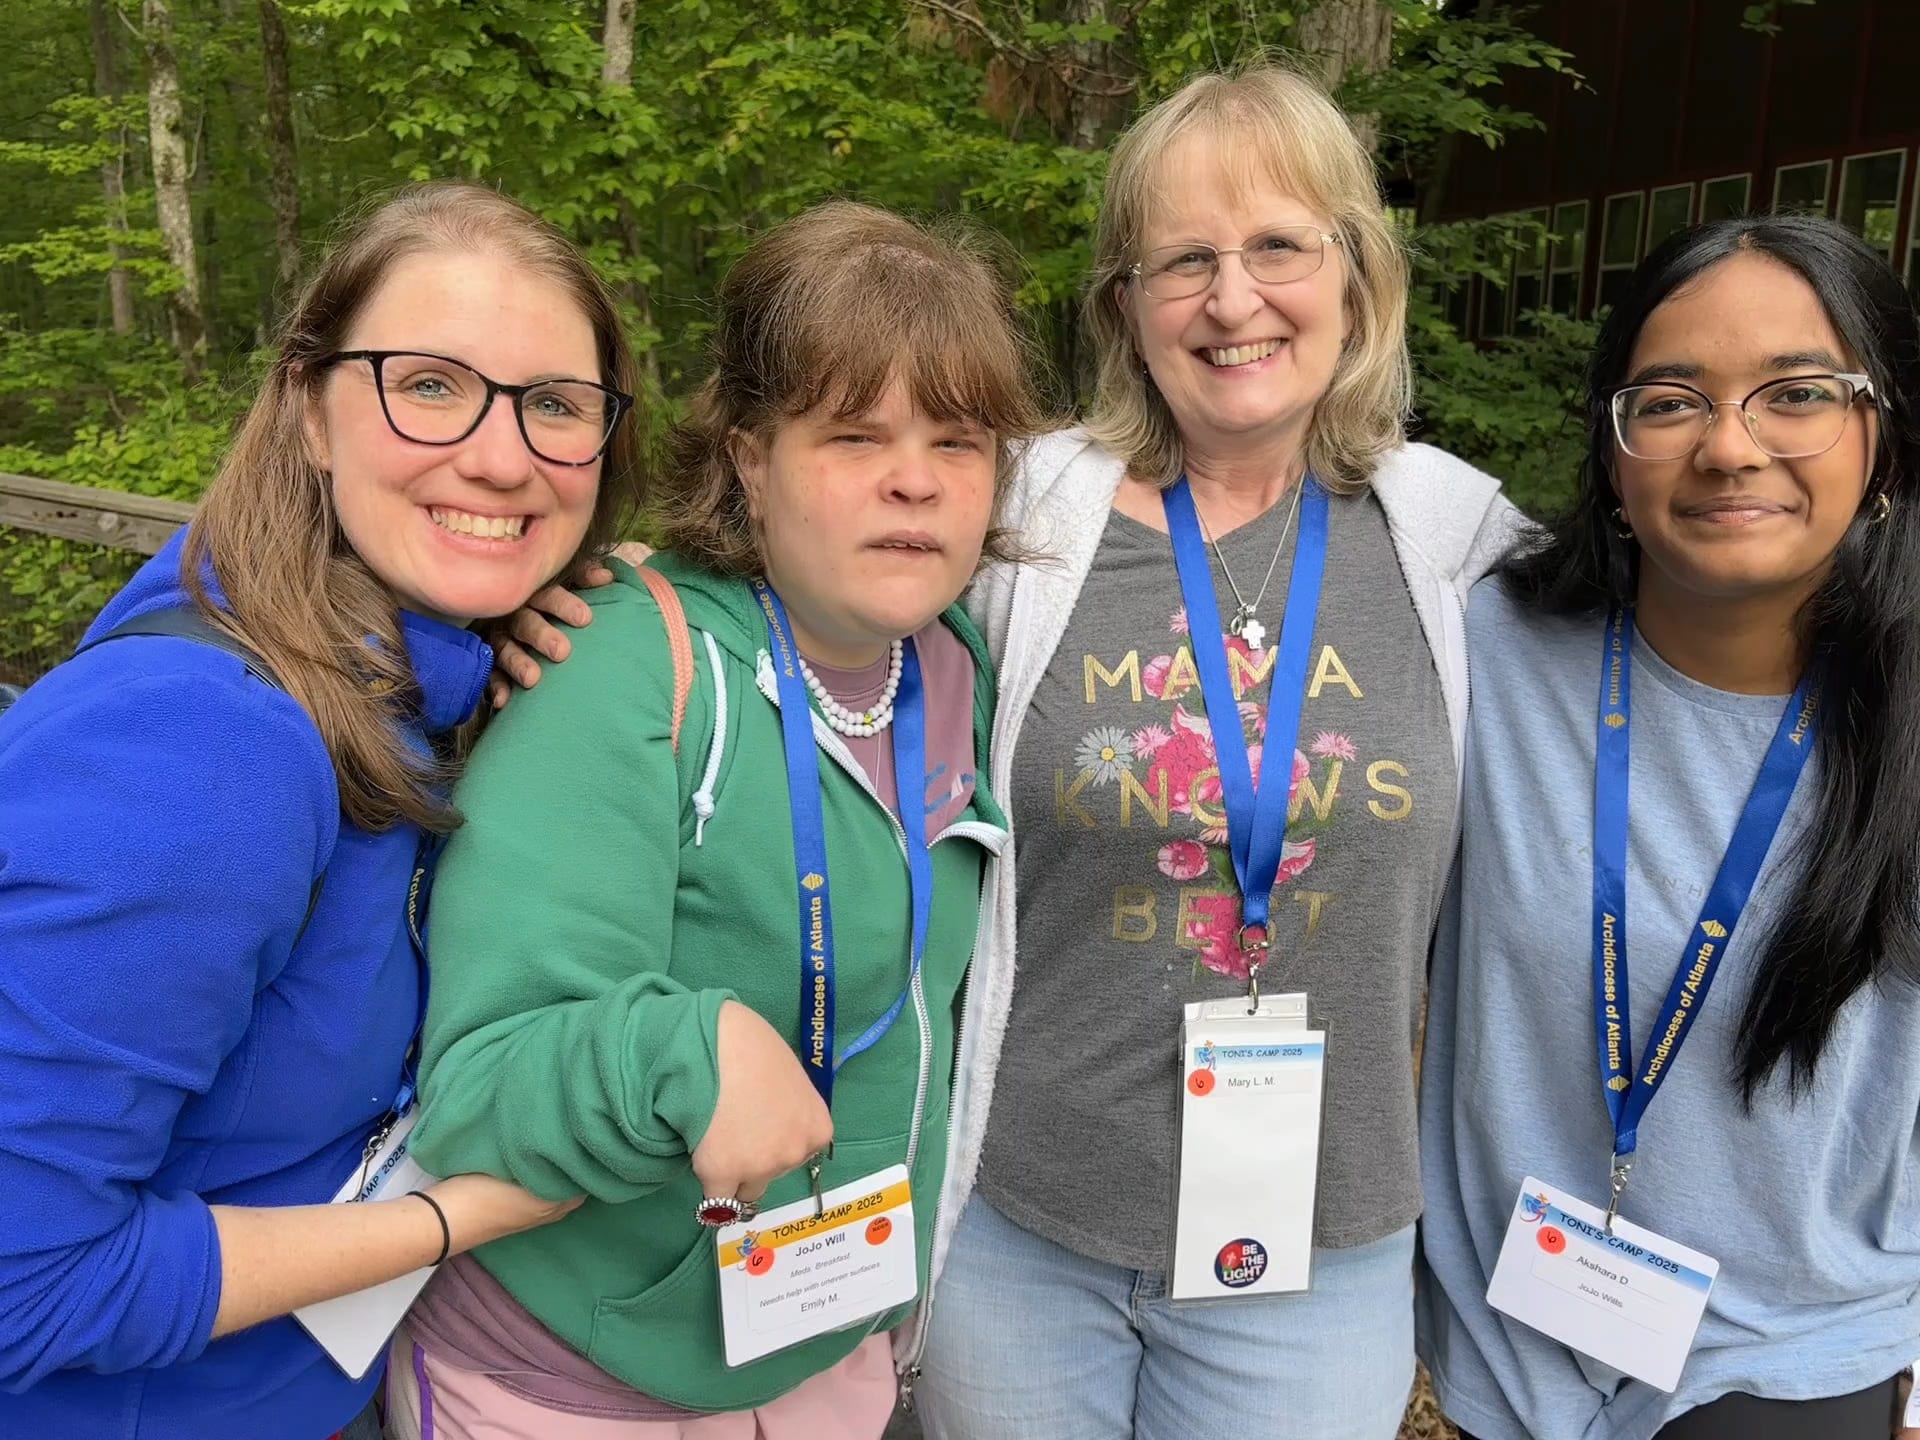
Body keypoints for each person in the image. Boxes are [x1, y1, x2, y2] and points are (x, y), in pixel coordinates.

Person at [498, 64, 1520, 1439]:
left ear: (1357, 274)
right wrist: (597, 590)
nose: (1233, 299)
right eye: (1184, 261)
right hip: (1020, 1232)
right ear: (1124, 306)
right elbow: (805, 568)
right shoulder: (1020, 512)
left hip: (1313, 1252)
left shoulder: (1459, 546)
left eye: (1280, 246)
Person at [385, 200, 1046, 1440]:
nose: (915, 478)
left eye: (958, 442)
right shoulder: (622, 666)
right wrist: (684, 1054)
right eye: (854, 435)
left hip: (825, 1352)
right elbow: (478, 1084)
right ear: (749, 459)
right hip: (573, 1380)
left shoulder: (959, 664)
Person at [0, 181, 640, 1439]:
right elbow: (24, 1283)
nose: (504, 456)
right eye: (431, 385)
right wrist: (460, 1215)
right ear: (308, 410)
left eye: (557, 405)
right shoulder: (203, 743)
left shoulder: (402, 673)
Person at [1417, 215, 1920, 1440]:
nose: (1730, 447)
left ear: (1886, 435)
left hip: (1797, 1353)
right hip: (1507, 1343)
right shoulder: (1478, 649)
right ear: (1613, 450)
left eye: (1797, 393)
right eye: (1671, 401)